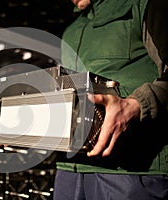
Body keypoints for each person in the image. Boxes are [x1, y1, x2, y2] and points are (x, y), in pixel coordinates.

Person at [54, 0, 168, 199]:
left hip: (133, 172)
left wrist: (137, 105)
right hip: (68, 172)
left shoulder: (144, 5)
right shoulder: (70, 32)